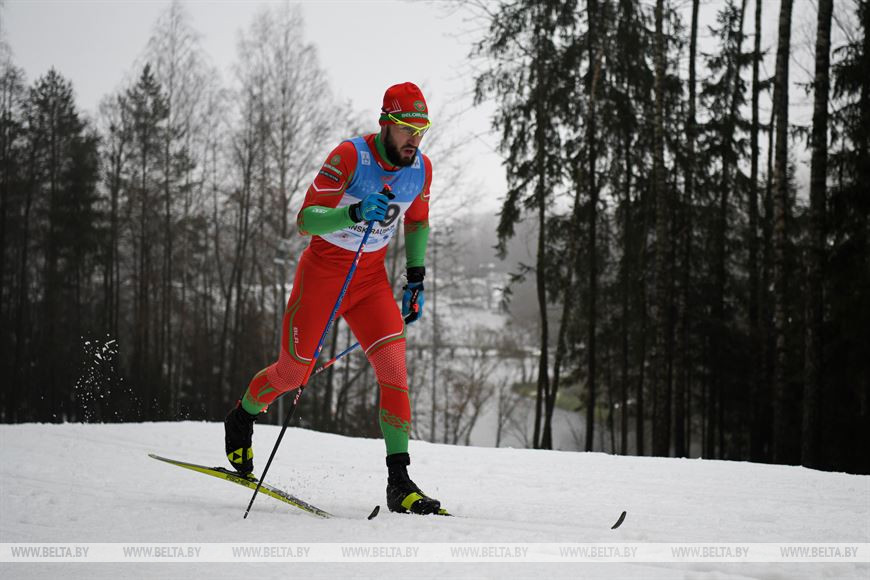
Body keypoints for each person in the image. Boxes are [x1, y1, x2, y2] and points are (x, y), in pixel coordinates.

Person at [223, 82, 442, 515]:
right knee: (292, 373)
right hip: (323, 275)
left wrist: (414, 277)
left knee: (395, 371)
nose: (414, 140)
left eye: (422, 130)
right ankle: (242, 417)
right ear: (385, 123)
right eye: (406, 129)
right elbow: (305, 219)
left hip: (370, 282)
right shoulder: (350, 157)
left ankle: (399, 482)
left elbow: (418, 222)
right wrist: (355, 212)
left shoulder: (421, 169)